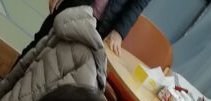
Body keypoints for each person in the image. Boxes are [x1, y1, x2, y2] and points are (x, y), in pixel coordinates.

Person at [20, 0, 152, 61]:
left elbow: (138, 3)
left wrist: (119, 31)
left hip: (102, 26)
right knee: (39, 45)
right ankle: (9, 87)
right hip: (74, 4)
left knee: (66, 68)